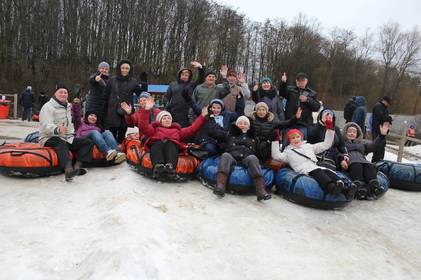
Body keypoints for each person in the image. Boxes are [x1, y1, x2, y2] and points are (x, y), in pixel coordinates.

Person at [271, 121, 355, 199]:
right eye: (293, 138)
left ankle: (344, 187)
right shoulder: (288, 152)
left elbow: (326, 144)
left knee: (328, 171)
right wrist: (275, 140)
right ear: (289, 141)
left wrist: (330, 129)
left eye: (297, 137)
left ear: (301, 137)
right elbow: (276, 156)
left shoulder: (309, 146)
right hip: (305, 169)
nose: (296, 139)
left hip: (314, 166)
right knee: (319, 173)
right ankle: (331, 187)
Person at [39, 84, 94, 182]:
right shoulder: (48, 107)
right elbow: (45, 125)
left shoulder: (68, 106)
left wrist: (71, 134)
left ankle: (77, 167)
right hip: (48, 137)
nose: (63, 94)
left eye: (65, 93)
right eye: (61, 92)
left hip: (65, 136)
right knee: (61, 142)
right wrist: (57, 129)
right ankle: (68, 170)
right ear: (55, 93)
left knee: (87, 142)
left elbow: (71, 123)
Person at [136, 107, 208, 180]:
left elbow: (192, 129)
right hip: (158, 147)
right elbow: (143, 126)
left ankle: (170, 167)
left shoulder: (177, 131)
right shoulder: (155, 129)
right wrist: (146, 110)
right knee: (158, 143)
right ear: (160, 121)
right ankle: (158, 166)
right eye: (164, 118)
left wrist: (202, 116)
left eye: (169, 118)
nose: (167, 120)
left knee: (171, 143)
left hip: (171, 148)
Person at [213, 116, 272, 201]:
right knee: (225, 155)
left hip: (246, 158)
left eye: (245, 124)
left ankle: (261, 190)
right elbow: (217, 136)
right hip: (232, 157)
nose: (242, 125)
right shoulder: (230, 134)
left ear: (248, 126)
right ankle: (220, 186)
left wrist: (267, 143)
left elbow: (261, 152)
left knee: (253, 158)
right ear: (236, 125)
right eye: (240, 123)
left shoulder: (254, 137)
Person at [341, 122, 390, 199]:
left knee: (369, 166)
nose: (351, 133)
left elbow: (373, 145)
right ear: (345, 133)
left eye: (354, 132)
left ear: (357, 134)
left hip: (363, 161)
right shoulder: (343, 144)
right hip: (352, 162)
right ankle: (359, 188)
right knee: (357, 166)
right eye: (349, 131)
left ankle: (374, 186)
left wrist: (381, 136)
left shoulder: (362, 144)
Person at [104, 59, 142, 143]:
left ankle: (121, 153)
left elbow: (141, 94)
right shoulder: (112, 80)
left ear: (130, 70)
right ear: (119, 68)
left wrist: (144, 84)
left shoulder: (133, 82)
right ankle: (112, 153)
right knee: (111, 136)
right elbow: (105, 96)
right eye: (123, 68)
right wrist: (104, 112)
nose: (124, 70)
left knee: (122, 137)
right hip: (112, 111)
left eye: (127, 68)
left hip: (125, 112)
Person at [165, 61, 205, 127]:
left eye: (186, 75)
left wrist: (200, 68)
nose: (184, 76)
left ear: (189, 77)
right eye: (183, 75)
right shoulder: (173, 84)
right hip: (174, 112)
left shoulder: (192, 85)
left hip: (187, 114)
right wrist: (168, 106)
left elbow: (200, 79)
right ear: (179, 75)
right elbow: (167, 97)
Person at [371, 96, 391, 162]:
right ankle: (374, 165)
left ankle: (379, 164)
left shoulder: (385, 109)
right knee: (377, 149)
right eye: (388, 102)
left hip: (383, 132)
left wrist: (388, 121)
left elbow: (385, 119)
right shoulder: (378, 106)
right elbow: (380, 117)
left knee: (381, 150)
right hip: (377, 131)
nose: (388, 104)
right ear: (384, 101)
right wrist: (388, 118)